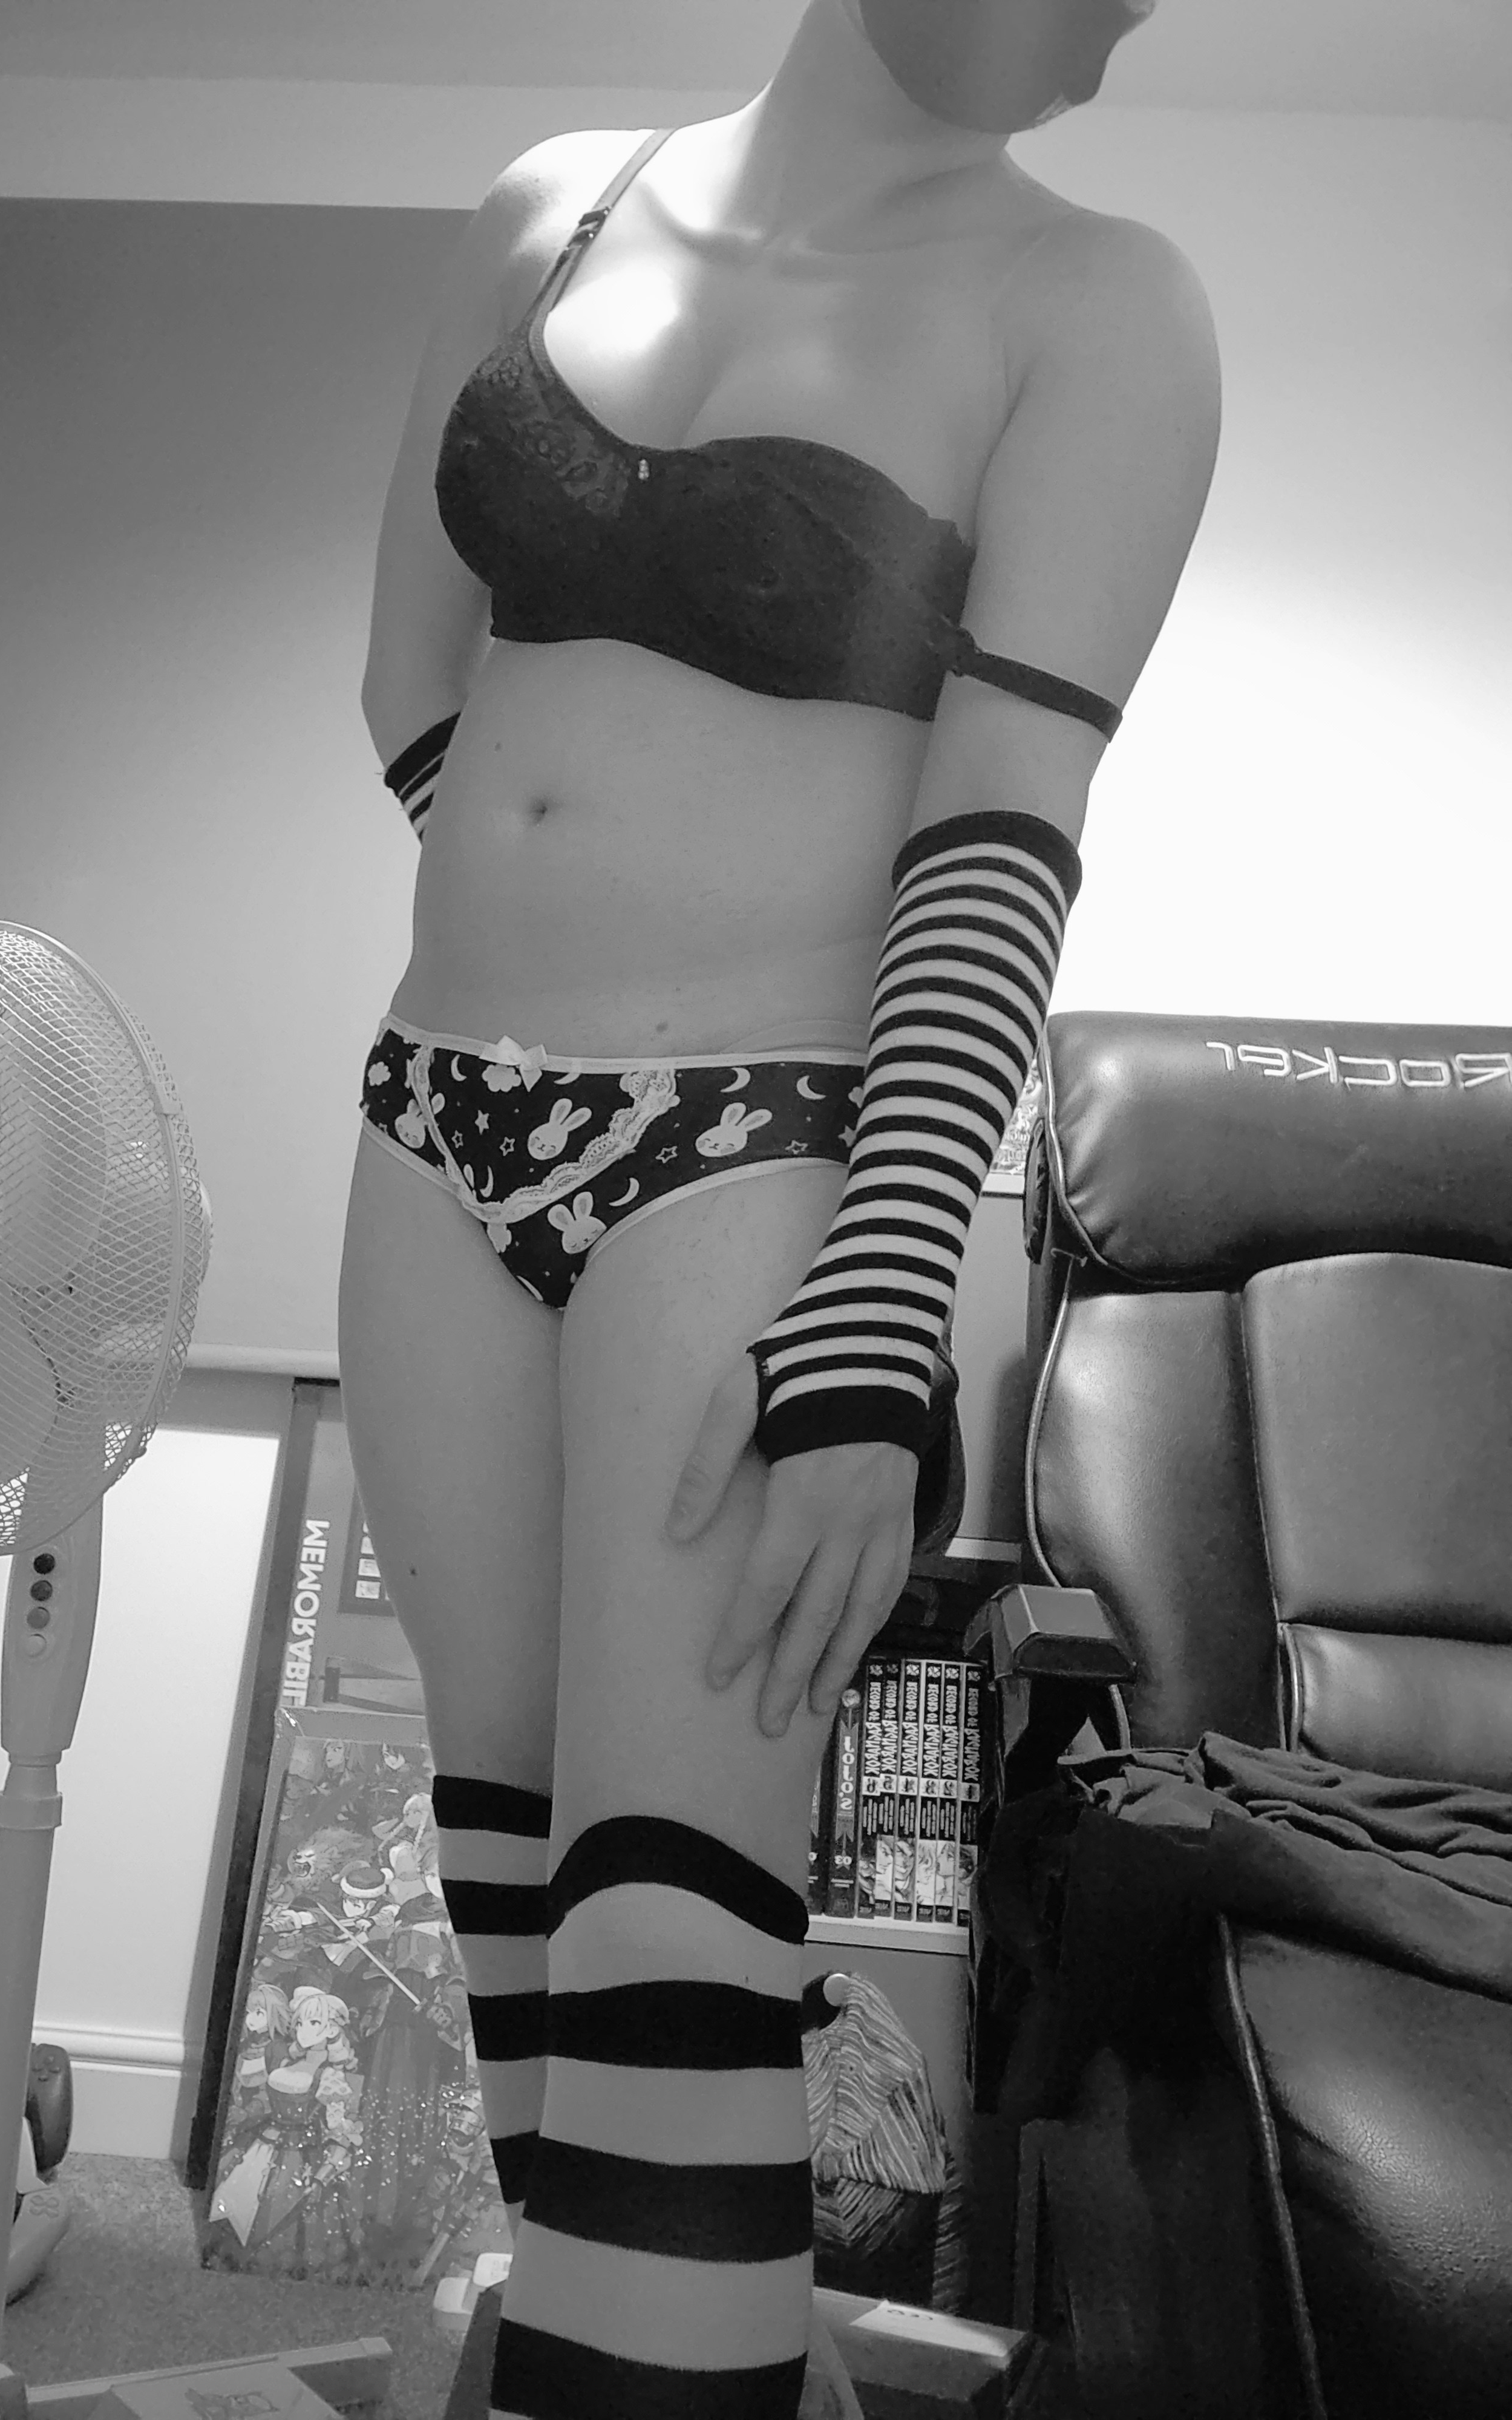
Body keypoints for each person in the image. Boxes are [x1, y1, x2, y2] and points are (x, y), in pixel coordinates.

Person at [338, 1, 1220, 2410]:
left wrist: (874, 1308)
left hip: (755, 1147)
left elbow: (1004, 832)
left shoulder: (1096, 300)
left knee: (672, 1942)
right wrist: (554, 958)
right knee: (519, 1908)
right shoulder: (551, 206)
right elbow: (413, 681)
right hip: (436, 1117)